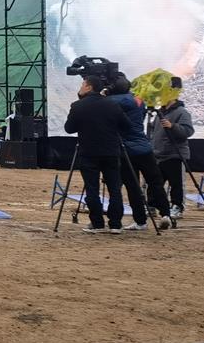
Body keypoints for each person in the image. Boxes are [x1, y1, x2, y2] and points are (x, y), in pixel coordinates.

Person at [108, 74, 171, 230]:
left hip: (125, 151)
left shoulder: (112, 102)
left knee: (133, 187)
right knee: (155, 182)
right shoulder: (139, 101)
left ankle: (140, 221)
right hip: (144, 148)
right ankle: (166, 214)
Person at [63, 76, 126, 231]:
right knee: (114, 189)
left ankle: (97, 223)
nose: (81, 87)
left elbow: (69, 128)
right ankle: (115, 224)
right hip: (111, 152)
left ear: (89, 87)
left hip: (89, 152)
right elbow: (126, 125)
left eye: (83, 84)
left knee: (92, 189)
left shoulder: (78, 106)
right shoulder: (112, 104)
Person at [151, 78, 194, 220]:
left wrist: (173, 126)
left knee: (176, 183)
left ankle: (177, 206)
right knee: (155, 183)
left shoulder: (182, 112)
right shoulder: (159, 114)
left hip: (175, 154)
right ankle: (152, 205)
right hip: (158, 154)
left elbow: (188, 131)